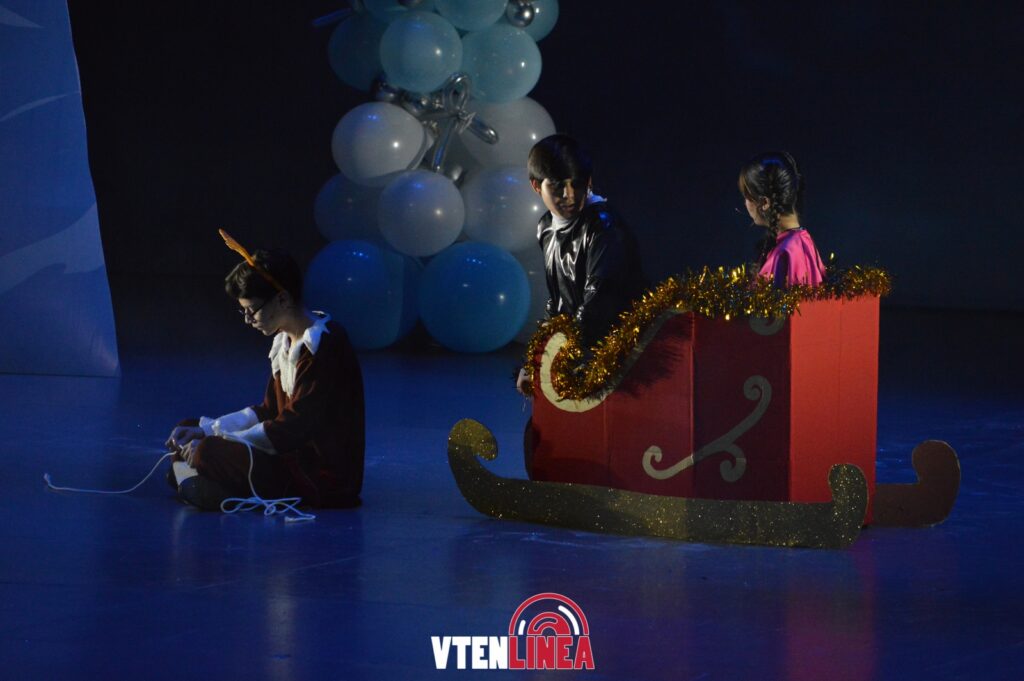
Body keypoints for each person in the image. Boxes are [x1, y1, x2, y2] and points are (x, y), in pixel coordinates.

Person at [165, 232, 365, 511]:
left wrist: (213, 441)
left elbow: (293, 428)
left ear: (282, 300)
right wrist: (205, 430)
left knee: (208, 451)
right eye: (243, 311)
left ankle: (199, 481)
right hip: (287, 451)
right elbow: (269, 411)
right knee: (190, 428)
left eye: (252, 310)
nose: (248, 320)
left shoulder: (324, 344)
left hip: (317, 474)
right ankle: (201, 481)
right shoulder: (284, 340)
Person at [516, 134, 646, 394]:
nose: (570, 196)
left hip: (616, 357)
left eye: (577, 184)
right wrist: (535, 360)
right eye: (557, 187)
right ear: (536, 186)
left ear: (589, 182)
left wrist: (557, 357)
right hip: (579, 350)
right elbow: (558, 302)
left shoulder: (604, 226)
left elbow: (600, 301)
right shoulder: (546, 227)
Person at [739, 151, 826, 287]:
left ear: (764, 203)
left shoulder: (786, 252)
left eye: (747, 196)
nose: (745, 203)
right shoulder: (799, 241)